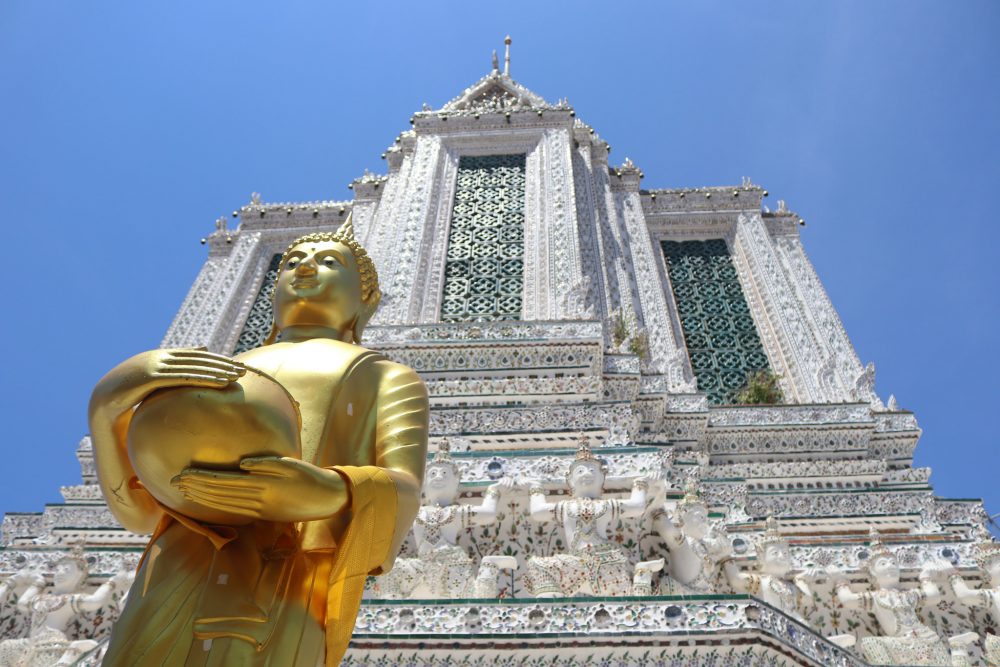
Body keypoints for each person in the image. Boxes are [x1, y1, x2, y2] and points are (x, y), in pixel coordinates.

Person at [89, 215, 429, 666]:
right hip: (176, 566)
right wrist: (106, 411)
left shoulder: (385, 374)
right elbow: (142, 512)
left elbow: (403, 485)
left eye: (328, 262)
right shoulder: (218, 371)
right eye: (291, 262)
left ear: (366, 299)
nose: (304, 269)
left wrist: (325, 491)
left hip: (289, 571)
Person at [524, 434, 650, 597]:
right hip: (580, 563)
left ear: (602, 478)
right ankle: (553, 609)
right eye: (580, 470)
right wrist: (535, 486)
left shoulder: (605, 505)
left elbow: (637, 507)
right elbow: (538, 511)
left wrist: (641, 482)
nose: (586, 473)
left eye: (592, 470)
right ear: (569, 480)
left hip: (606, 563)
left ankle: (643, 576)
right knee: (537, 565)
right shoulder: (566, 506)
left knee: (538, 565)